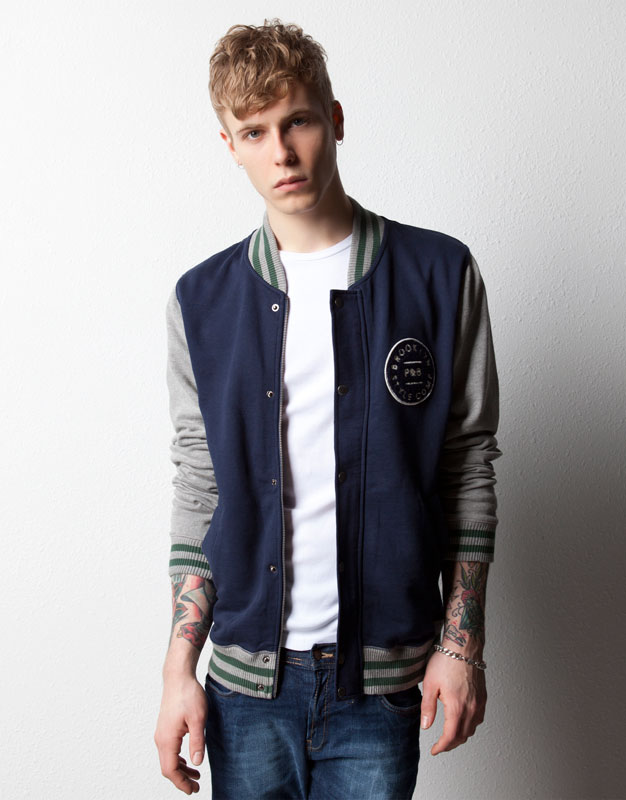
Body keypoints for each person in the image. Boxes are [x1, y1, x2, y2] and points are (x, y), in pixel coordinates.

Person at [154, 18, 501, 799]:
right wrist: (179, 671)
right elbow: (199, 487)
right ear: (230, 145)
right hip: (245, 692)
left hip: (381, 688)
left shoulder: (439, 275)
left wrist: (462, 645)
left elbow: (467, 466)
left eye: (298, 122)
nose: (281, 152)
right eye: (255, 132)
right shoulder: (201, 302)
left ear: (335, 119)